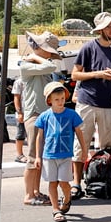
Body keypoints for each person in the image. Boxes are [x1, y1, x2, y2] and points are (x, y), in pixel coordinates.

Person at [70, 11, 111, 198]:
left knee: (108, 145)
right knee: (80, 144)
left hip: (108, 104)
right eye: (109, 26)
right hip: (86, 101)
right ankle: (76, 184)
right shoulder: (88, 48)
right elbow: (75, 75)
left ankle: (105, 179)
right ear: (100, 30)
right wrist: (97, 74)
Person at [19, 31, 65, 206]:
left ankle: (36, 191)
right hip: (34, 114)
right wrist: (36, 57)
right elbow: (50, 67)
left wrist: (38, 57)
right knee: (32, 156)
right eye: (48, 51)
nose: (50, 55)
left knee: (39, 156)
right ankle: (29, 195)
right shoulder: (27, 65)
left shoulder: (37, 63)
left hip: (44, 115)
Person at [34, 81, 88, 222]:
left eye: (62, 99)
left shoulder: (71, 115)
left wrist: (84, 150)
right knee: (52, 183)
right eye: (57, 100)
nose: (60, 102)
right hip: (48, 155)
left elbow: (79, 133)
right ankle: (56, 209)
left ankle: (67, 198)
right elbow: (40, 137)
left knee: (64, 183)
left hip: (65, 156)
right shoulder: (44, 116)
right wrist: (38, 156)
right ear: (49, 100)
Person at [11, 76, 27, 163]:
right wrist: (19, 112)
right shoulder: (19, 81)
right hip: (23, 112)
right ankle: (19, 154)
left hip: (33, 111)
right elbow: (16, 98)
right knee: (21, 133)